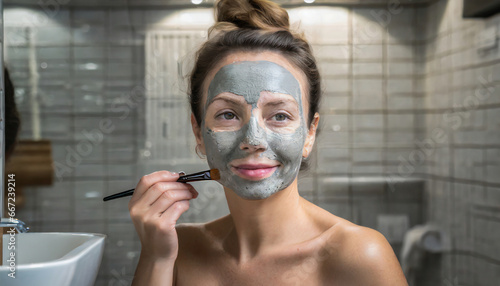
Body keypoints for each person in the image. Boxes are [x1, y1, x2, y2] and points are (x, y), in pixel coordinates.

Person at [129, 0, 408, 285]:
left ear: (310, 133)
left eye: (279, 116)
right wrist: (155, 258)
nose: (253, 140)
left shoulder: (360, 255)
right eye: (228, 114)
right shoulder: (178, 249)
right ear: (198, 131)